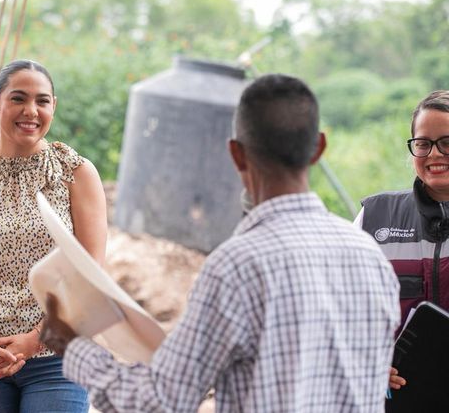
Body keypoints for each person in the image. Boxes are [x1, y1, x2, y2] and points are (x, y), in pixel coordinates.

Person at [40, 74, 401, 413]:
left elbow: (162, 400)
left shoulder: (237, 265)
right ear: (318, 148)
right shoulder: (371, 256)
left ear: (236, 154)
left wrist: (75, 350)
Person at [0, 59, 107, 412]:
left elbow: (90, 274)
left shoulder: (76, 174)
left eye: (42, 101)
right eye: (18, 98)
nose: (31, 111)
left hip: (59, 356)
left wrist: (34, 340)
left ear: (53, 107)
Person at [355, 90, 449, 392]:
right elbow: (336, 308)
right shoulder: (373, 218)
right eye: (423, 144)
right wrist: (368, 363)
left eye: (447, 142)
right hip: (394, 398)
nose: (434, 154)